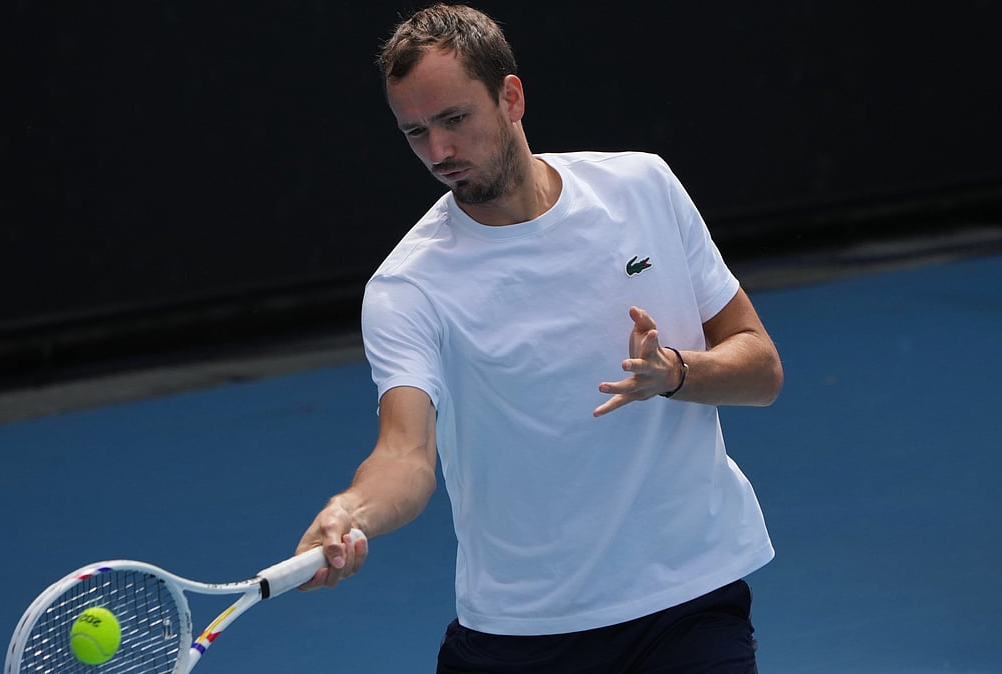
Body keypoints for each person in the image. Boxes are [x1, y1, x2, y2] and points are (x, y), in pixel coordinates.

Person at [295, 4, 783, 672]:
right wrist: (351, 508)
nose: (439, 153)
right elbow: (405, 454)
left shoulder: (643, 188)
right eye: (415, 132)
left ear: (511, 96)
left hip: (687, 597)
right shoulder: (408, 287)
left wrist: (674, 372)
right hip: (524, 632)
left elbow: (761, 369)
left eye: (454, 119)